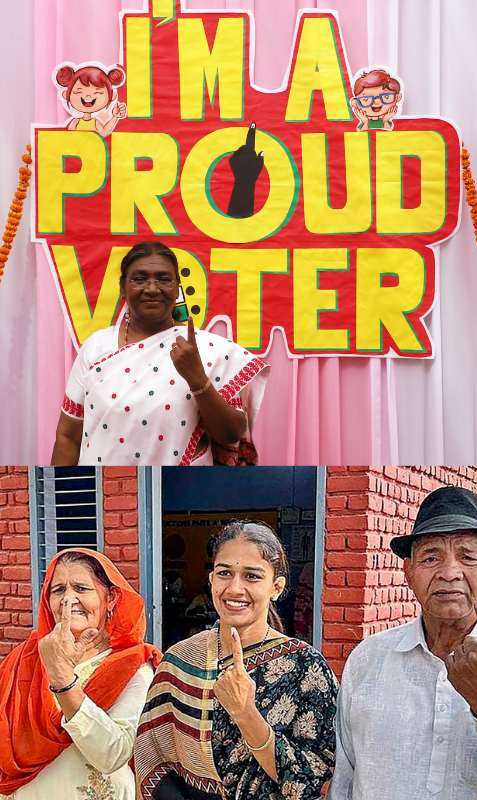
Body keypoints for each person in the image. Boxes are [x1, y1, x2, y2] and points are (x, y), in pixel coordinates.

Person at [135, 521, 336, 799]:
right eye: (224, 573)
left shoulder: (305, 667)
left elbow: (315, 780)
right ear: (211, 580)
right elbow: (152, 757)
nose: (234, 588)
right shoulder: (179, 661)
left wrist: (246, 714)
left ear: (276, 587)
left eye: (252, 576)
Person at [330, 485, 477, 798]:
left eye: (467, 556)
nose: (450, 572)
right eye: (430, 558)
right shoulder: (368, 659)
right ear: (409, 573)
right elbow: (344, 779)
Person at [52, 241, 269, 466]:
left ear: (177, 289)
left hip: (181, 495)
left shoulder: (205, 350)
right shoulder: (96, 348)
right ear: (122, 287)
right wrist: (58, 496)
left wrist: (197, 378)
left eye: (164, 279)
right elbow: (68, 437)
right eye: (140, 278)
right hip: (104, 493)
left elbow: (231, 434)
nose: (152, 288)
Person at [0, 548, 160, 799]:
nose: (68, 600)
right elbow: (0, 747)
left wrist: (63, 681)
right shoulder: (25, 659)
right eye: (58, 590)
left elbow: (114, 754)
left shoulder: (131, 665)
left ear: (111, 598)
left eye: (81, 589)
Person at [57, 63, 127, 137]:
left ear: (112, 96)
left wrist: (115, 117)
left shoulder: (95, 122)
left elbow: (104, 132)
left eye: (97, 92)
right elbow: (69, 135)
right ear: (66, 94)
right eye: (78, 92)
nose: (88, 96)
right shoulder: (75, 121)